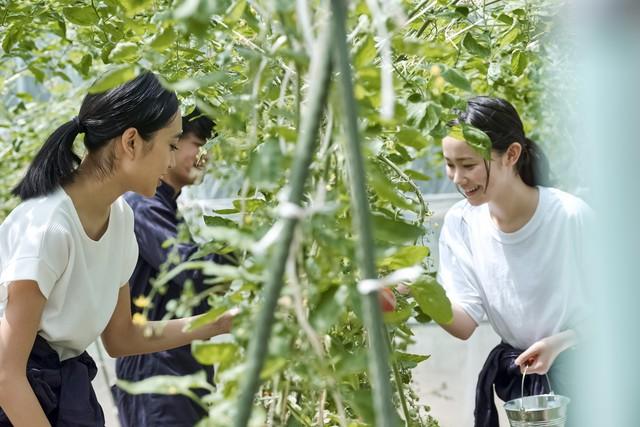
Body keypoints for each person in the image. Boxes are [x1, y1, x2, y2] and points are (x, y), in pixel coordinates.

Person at [0, 72, 234, 426]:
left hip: (62, 395)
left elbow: (121, 336)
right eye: (171, 145)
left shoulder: (121, 219)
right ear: (131, 142)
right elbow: (6, 374)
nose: (172, 161)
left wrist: (215, 324)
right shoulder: (48, 228)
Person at [435, 96, 589, 427]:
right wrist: (418, 293)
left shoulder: (569, 216)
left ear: (512, 155)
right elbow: (463, 323)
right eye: (449, 164)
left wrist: (561, 342)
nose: (457, 178)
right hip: (523, 389)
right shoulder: (460, 224)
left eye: (469, 164)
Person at [113, 108, 232, 426]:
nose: (204, 155)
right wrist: (243, 237)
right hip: (156, 372)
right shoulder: (144, 207)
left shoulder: (164, 207)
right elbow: (194, 271)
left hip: (175, 367)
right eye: (198, 142)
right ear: (169, 146)